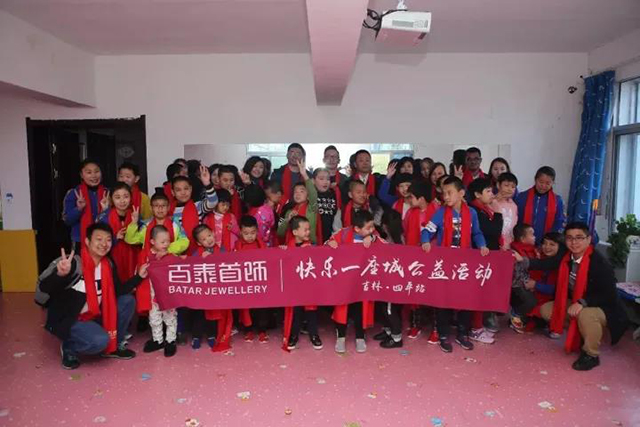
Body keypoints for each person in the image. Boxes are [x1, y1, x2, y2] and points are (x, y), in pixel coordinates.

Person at [39, 223, 147, 369]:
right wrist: (60, 274)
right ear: (87, 241)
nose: (104, 244)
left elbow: (118, 290)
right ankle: (69, 347)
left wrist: (139, 277)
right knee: (100, 341)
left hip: (95, 314)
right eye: (99, 239)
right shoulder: (74, 264)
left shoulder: (108, 264)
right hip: (72, 319)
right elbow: (45, 287)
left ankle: (114, 346)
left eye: (108, 240)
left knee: (127, 301)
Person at [540, 222, 627, 371]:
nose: (574, 242)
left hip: (605, 308)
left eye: (579, 237)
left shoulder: (600, 263)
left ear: (588, 239)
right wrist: (524, 261)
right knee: (547, 310)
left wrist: (582, 302)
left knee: (586, 315)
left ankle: (591, 355)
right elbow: (544, 264)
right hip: (579, 302)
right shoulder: (566, 258)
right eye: (570, 238)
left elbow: (609, 294)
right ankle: (582, 334)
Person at [421, 176, 489, 353]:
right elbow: (427, 230)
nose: (446, 197)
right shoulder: (441, 213)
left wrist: (482, 245)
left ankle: (462, 334)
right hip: (445, 263)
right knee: (443, 299)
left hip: (465, 265)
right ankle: (443, 335)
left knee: (465, 299)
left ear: (461, 193)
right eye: (443, 193)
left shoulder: (472, 213)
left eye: (449, 193)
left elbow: (477, 233)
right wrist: (425, 241)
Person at [327, 210, 380, 354]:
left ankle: (360, 337)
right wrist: (331, 243)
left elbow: (383, 244)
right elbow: (327, 243)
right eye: (368, 228)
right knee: (342, 309)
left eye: (372, 226)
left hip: (362, 281)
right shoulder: (344, 233)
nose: (372, 230)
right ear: (357, 228)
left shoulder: (373, 236)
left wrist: (372, 239)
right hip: (345, 281)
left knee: (360, 310)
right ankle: (341, 337)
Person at [467, 178, 503, 344]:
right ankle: (475, 328)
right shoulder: (475, 210)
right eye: (488, 191)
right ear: (477, 194)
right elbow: (493, 231)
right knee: (477, 294)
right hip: (478, 258)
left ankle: (478, 326)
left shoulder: (484, 210)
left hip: (487, 257)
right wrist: (498, 213)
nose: (492, 194)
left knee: (483, 293)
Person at [283, 216, 323, 351]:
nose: (308, 232)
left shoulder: (312, 246)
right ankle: (293, 335)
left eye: (309, 229)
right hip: (294, 288)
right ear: (295, 232)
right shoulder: (288, 247)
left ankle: (314, 335)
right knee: (296, 312)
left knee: (311, 312)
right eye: (305, 230)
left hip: (309, 287)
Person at [139, 225, 179, 357]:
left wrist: (167, 256)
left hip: (168, 294)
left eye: (168, 241)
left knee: (170, 317)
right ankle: (158, 340)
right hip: (152, 293)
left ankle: (170, 341)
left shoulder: (171, 255)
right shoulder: (146, 255)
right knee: (154, 317)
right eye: (162, 242)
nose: (166, 244)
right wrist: (156, 258)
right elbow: (142, 269)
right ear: (152, 241)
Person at [63, 159, 110, 252]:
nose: (94, 175)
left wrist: (106, 210)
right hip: (80, 240)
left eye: (97, 171)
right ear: (81, 175)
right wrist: (79, 209)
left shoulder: (108, 193)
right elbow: (67, 220)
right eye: (89, 172)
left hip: (104, 240)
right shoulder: (74, 193)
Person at [235, 215, 270, 343]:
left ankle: (262, 331)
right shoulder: (237, 245)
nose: (250, 236)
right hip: (245, 283)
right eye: (246, 233)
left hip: (260, 282)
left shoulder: (261, 244)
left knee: (262, 307)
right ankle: (248, 330)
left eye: (253, 233)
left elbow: (270, 259)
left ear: (257, 231)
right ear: (240, 232)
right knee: (245, 308)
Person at [169, 165, 218, 255]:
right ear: (173, 192)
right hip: (177, 254)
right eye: (178, 190)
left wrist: (207, 184)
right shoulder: (169, 211)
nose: (183, 192)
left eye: (186, 188)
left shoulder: (198, 206)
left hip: (199, 253)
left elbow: (213, 202)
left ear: (191, 189)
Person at [373, 209, 404, 349]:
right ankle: (388, 331)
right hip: (387, 281)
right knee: (384, 307)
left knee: (389, 309)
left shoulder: (393, 243)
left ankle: (397, 338)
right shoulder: (395, 239)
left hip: (392, 283)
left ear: (385, 226)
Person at [98, 183, 139, 283]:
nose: (122, 201)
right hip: (112, 258)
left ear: (131, 198)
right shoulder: (105, 217)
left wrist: (135, 223)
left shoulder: (135, 215)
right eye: (117, 197)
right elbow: (98, 243)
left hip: (132, 257)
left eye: (126, 196)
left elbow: (141, 239)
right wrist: (115, 238)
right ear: (111, 199)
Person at [515, 166, 565, 245]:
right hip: (523, 242)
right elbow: (517, 219)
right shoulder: (522, 197)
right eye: (541, 182)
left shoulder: (557, 200)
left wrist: (550, 241)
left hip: (546, 244)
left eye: (548, 183)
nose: (543, 186)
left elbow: (559, 222)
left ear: (553, 183)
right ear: (535, 179)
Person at [190, 224, 221, 349]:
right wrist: (200, 259)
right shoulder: (197, 253)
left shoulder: (221, 249)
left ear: (213, 233)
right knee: (199, 314)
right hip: (201, 291)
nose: (208, 239)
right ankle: (196, 336)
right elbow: (190, 267)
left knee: (213, 314)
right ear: (199, 243)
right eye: (203, 239)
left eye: (209, 235)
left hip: (215, 289)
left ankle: (211, 336)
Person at [277, 160, 321, 245]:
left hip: (309, 245)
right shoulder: (289, 212)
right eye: (295, 192)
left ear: (308, 195)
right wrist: (287, 220)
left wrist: (304, 175)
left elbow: (313, 194)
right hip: (292, 246)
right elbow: (280, 233)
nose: (298, 194)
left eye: (301, 191)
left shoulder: (312, 208)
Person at [509, 224, 540, 334]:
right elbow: (516, 272)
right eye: (532, 235)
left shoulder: (534, 250)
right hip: (517, 284)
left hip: (529, 283)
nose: (535, 237)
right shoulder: (514, 251)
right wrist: (527, 283)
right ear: (522, 239)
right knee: (531, 301)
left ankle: (522, 319)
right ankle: (516, 314)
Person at [270, 143, 308, 210]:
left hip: (303, 211)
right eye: (292, 152)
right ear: (287, 155)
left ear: (303, 157)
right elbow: (272, 194)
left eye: (298, 153)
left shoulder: (308, 175)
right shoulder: (277, 173)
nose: (295, 156)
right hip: (280, 210)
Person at [490, 172, 519, 249]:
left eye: (513, 187)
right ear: (498, 185)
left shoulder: (514, 206)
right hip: (494, 245)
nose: (510, 189)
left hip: (510, 245)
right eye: (506, 185)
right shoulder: (491, 202)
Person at [313, 168, 339, 243]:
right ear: (313, 181)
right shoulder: (311, 196)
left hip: (331, 237)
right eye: (321, 179)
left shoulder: (334, 194)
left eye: (328, 179)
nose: (325, 182)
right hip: (314, 237)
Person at [323, 145, 347, 210]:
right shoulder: (317, 178)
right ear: (323, 160)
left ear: (339, 160)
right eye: (328, 156)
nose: (331, 159)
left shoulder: (345, 179)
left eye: (334, 157)